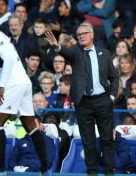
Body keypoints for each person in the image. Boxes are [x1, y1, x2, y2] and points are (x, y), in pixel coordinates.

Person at [0, 9, 49, 174]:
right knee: (29, 124)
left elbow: (8, 60)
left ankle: (0, 170)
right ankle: (45, 167)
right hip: (21, 82)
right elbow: (2, 68)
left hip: (13, 83)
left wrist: (1, 88)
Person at [45, 24, 118, 174]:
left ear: (92, 35)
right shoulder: (76, 52)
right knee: (88, 140)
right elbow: (65, 52)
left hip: (103, 100)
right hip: (83, 102)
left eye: (84, 33)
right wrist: (57, 46)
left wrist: (111, 96)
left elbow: (114, 77)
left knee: (107, 139)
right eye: (78, 35)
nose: (81, 36)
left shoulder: (104, 54)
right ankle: (92, 172)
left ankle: (109, 172)